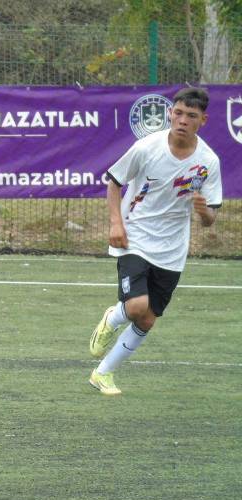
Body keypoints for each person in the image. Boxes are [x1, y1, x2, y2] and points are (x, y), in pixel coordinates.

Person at [88, 87, 222, 396]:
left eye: (191, 115)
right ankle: (114, 316)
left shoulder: (208, 162)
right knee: (136, 306)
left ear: (203, 119)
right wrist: (115, 223)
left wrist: (204, 213)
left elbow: (210, 217)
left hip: (172, 250)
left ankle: (103, 374)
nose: (182, 120)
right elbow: (114, 182)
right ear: (170, 114)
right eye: (178, 113)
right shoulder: (147, 147)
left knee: (148, 320)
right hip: (135, 237)